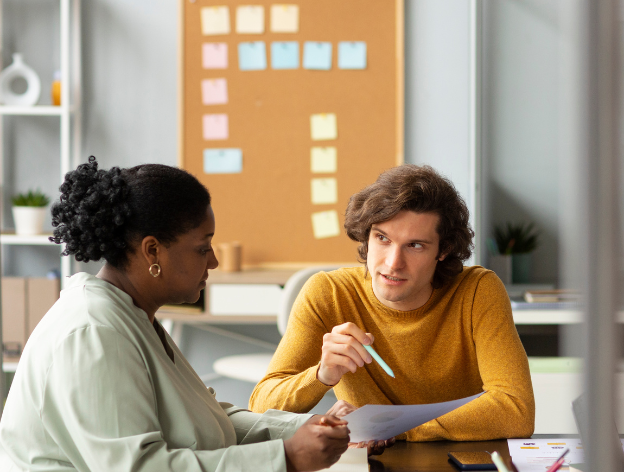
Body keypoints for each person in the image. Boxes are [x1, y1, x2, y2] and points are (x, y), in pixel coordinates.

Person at [0, 157, 362, 472]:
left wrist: (303, 428)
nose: (214, 261)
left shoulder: (130, 315)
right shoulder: (94, 331)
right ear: (152, 251)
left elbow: (205, 418)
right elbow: (139, 467)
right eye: (203, 248)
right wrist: (285, 457)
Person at [249, 164, 535, 441]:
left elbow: (516, 411)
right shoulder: (328, 293)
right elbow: (260, 408)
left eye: (415, 245)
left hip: (459, 457)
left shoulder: (477, 291)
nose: (393, 263)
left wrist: (396, 430)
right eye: (382, 238)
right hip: (370, 458)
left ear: (443, 250)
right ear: (367, 236)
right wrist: (321, 375)